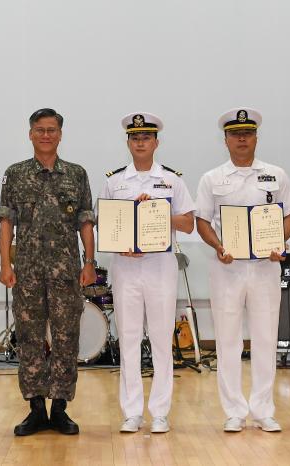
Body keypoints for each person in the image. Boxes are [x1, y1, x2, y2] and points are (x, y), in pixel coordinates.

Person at [195, 108, 290, 433]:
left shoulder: (276, 174)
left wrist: (278, 242)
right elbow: (202, 222)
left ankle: (263, 409)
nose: (242, 138)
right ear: (225, 139)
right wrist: (218, 246)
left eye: (248, 133)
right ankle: (234, 411)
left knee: (266, 338)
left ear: (256, 137)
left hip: (265, 268)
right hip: (227, 268)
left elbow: (289, 216)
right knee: (227, 341)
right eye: (235, 134)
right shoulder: (211, 178)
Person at [0, 108, 96, 436]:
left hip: (66, 272)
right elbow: (7, 222)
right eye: (40, 130)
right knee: (30, 340)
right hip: (27, 274)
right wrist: (5, 265)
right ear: (30, 134)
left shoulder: (76, 174)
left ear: (60, 134)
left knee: (67, 340)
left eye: (52, 129)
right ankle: (36, 408)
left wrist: (90, 262)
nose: (46, 135)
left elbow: (85, 221)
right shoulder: (15, 174)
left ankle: (60, 409)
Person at [99, 112, 195, 434]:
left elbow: (189, 223)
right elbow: (106, 224)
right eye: (134, 138)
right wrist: (120, 244)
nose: (140, 142)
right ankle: (131, 412)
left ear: (156, 142)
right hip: (126, 268)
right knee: (127, 338)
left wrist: (158, 210)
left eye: (146, 137)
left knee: (160, 339)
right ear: (128, 142)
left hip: (160, 268)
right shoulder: (115, 181)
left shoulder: (172, 180)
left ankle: (160, 412)